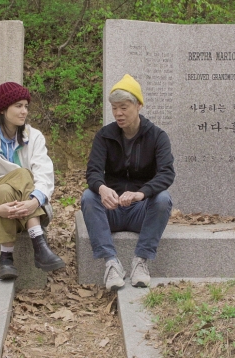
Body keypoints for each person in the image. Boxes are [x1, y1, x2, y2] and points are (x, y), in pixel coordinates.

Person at [82, 74, 175, 290]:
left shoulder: (157, 136)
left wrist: (141, 193)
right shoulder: (104, 136)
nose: (118, 113)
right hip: (111, 209)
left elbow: (166, 173)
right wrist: (102, 188)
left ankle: (140, 261)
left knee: (163, 198)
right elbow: (93, 172)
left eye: (123, 107)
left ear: (139, 105)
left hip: (140, 212)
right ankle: (111, 263)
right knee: (88, 196)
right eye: (114, 108)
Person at [0, 81, 65, 280]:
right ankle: (39, 245)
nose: (24, 111)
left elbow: (44, 174)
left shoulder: (35, 137)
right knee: (16, 179)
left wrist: (33, 201)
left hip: (29, 207)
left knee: (9, 187)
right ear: (3, 109)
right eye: (18, 106)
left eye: (26, 106)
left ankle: (6, 258)